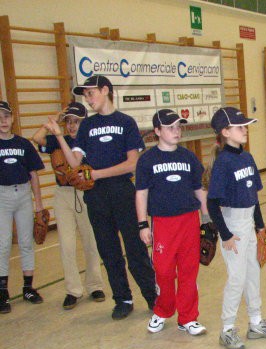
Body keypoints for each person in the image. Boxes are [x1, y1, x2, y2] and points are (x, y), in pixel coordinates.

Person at [44, 75, 156, 320]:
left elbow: (132, 164)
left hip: (123, 192)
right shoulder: (87, 126)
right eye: (85, 95)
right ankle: (123, 299)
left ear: (105, 90)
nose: (88, 98)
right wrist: (59, 136)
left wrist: (96, 173)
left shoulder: (125, 122)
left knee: (135, 249)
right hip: (96, 197)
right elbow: (74, 162)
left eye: (91, 93)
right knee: (109, 251)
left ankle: (152, 295)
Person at [206, 106, 266, 349]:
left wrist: (260, 227)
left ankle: (256, 322)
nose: (245, 130)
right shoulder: (222, 163)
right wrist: (226, 235)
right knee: (237, 278)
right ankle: (227, 329)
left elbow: (253, 197)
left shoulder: (247, 157)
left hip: (248, 223)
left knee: (253, 273)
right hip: (233, 226)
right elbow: (211, 202)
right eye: (240, 127)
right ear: (226, 132)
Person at [135, 109, 209, 336]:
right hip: (163, 223)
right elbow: (141, 194)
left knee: (189, 270)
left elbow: (200, 189)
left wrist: (207, 220)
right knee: (164, 271)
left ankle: (188, 317)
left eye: (178, 127)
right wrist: (142, 224)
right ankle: (163, 310)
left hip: (189, 221)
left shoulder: (188, 157)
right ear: (157, 131)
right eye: (170, 127)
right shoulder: (147, 160)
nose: (176, 131)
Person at [32, 102, 105, 309]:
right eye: (69, 122)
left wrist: (83, 177)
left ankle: (94, 285)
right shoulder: (59, 141)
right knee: (66, 244)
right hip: (63, 195)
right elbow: (37, 139)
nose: (72, 126)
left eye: (76, 121)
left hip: (86, 194)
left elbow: (97, 168)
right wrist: (54, 121)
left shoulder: (91, 142)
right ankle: (73, 290)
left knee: (91, 241)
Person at [0, 100, 46, 313]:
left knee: (27, 242)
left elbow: (34, 174)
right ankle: (2, 292)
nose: (3, 121)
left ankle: (28, 287)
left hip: (23, 195)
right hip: (2, 196)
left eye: (6, 116)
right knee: (4, 244)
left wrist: (38, 204)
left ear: (13, 118)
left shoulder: (23, 144)